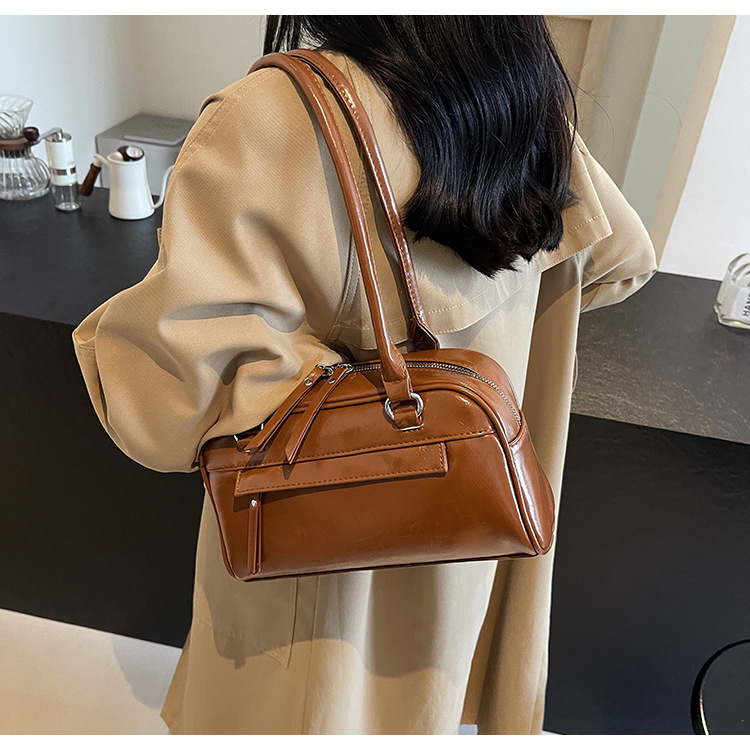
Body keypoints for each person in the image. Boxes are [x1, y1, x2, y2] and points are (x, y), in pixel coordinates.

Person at [72, 16, 657, 734]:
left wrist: (112, 339)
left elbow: (168, 409)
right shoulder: (518, 94)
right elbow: (623, 259)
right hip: (465, 544)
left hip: (317, 584)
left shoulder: (278, 114)